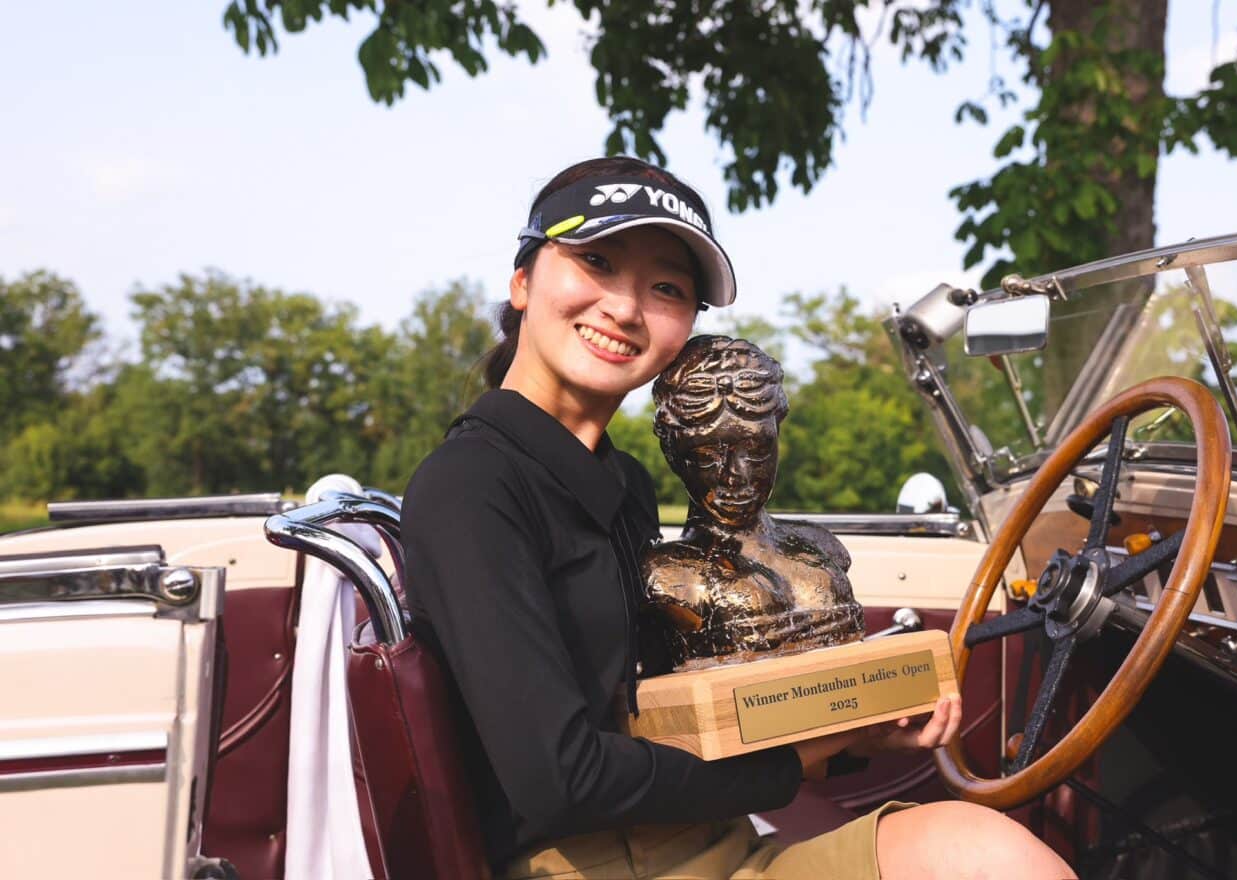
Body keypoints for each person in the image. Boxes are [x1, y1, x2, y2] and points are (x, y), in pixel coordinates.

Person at [401, 156, 1076, 880]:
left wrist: (858, 737)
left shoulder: (617, 481)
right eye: (596, 261)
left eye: (666, 287)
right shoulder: (472, 486)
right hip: (600, 866)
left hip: (709, 844)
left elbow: (649, 709)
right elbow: (558, 776)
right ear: (524, 280)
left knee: (986, 850)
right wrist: (790, 769)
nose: (626, 308)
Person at [644, 335, 865, 670]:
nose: (737, 475)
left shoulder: (822, 546)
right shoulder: (666, 575)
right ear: (674, 456)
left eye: (758, 450)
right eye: (707, 456)